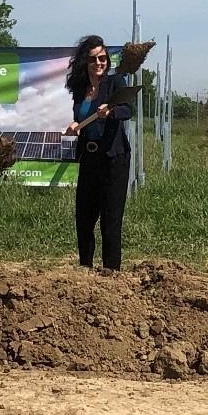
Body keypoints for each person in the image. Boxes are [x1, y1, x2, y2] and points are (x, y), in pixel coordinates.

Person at [63, 35, 134, 270]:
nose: (99, 63)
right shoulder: (80, 89)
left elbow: (127, 109)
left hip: (114, 159)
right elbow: (81, 118)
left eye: (103, 58)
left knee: (110, 222)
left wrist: (111, 111)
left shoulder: (115, 84)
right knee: (84, 220)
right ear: (86, 62)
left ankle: (111, 274)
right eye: (94, 59)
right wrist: (76, 126)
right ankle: (85, 270)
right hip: (89, 158)